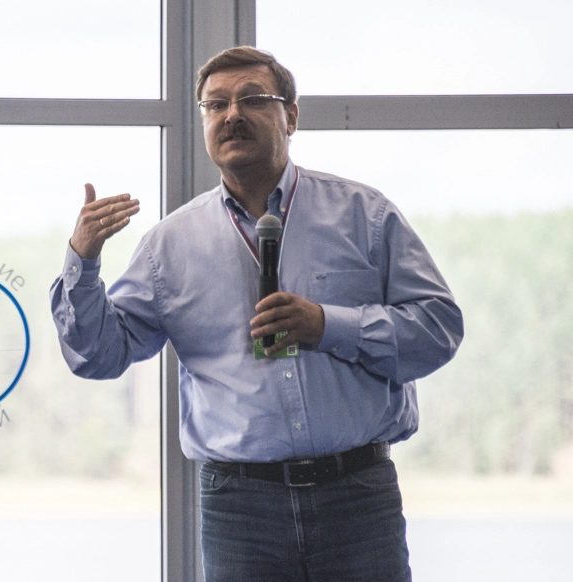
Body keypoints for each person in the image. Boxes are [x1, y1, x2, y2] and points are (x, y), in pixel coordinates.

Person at [50, 46, 464, 581]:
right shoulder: (169, 246)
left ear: (291, 116)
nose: (232, 115)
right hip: (240, 510)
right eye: (215, 104)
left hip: (357, 497)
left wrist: (327, 325)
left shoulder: (364, 215)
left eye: (252, 99)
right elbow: (97, 356)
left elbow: (437, 329)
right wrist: (82, 262)